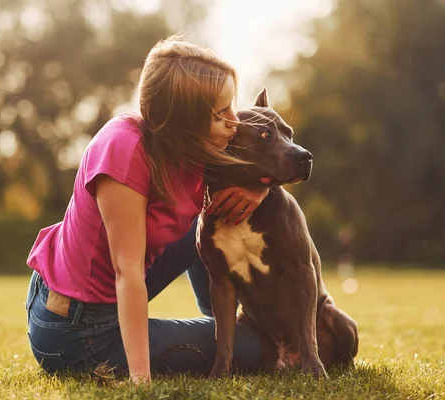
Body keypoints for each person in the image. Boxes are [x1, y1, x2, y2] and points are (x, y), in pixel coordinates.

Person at [24, 36, 269, 385]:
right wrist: (141, 379)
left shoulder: (191, 145)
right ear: (183, 122)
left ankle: (222, 317)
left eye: (232, 106)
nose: (235, 122)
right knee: (257, 346)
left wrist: (259, 189)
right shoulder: (123, 151)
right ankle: (227, 329)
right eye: (220, 114)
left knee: (207, 220)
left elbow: (274, 157)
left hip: (93, 293)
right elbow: (127, 273)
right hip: (78, 329)